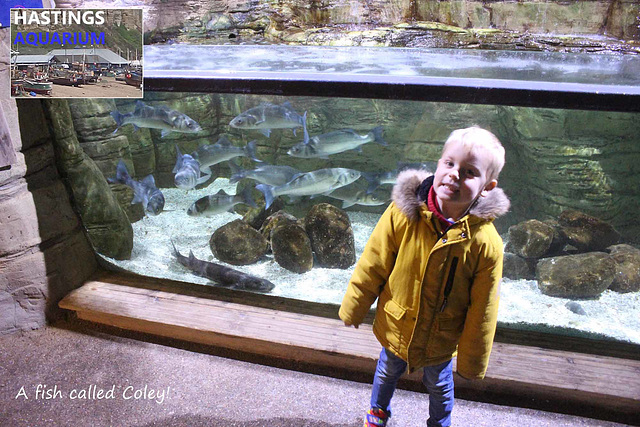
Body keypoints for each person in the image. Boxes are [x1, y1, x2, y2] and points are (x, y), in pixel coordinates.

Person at [339, 126, 510, 427]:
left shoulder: (486, 243)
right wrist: (354, 305)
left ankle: (439, 423)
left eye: (469, 171)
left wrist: (472, 360)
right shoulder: (402, 213)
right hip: (397, 324)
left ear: (488, 186)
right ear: (438, 163)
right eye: (449, 163)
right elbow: (373, 262)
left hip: (440, 338)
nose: (454, 174)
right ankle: (377, 413)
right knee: (386, 371)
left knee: (440, 386)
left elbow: (484, 308)